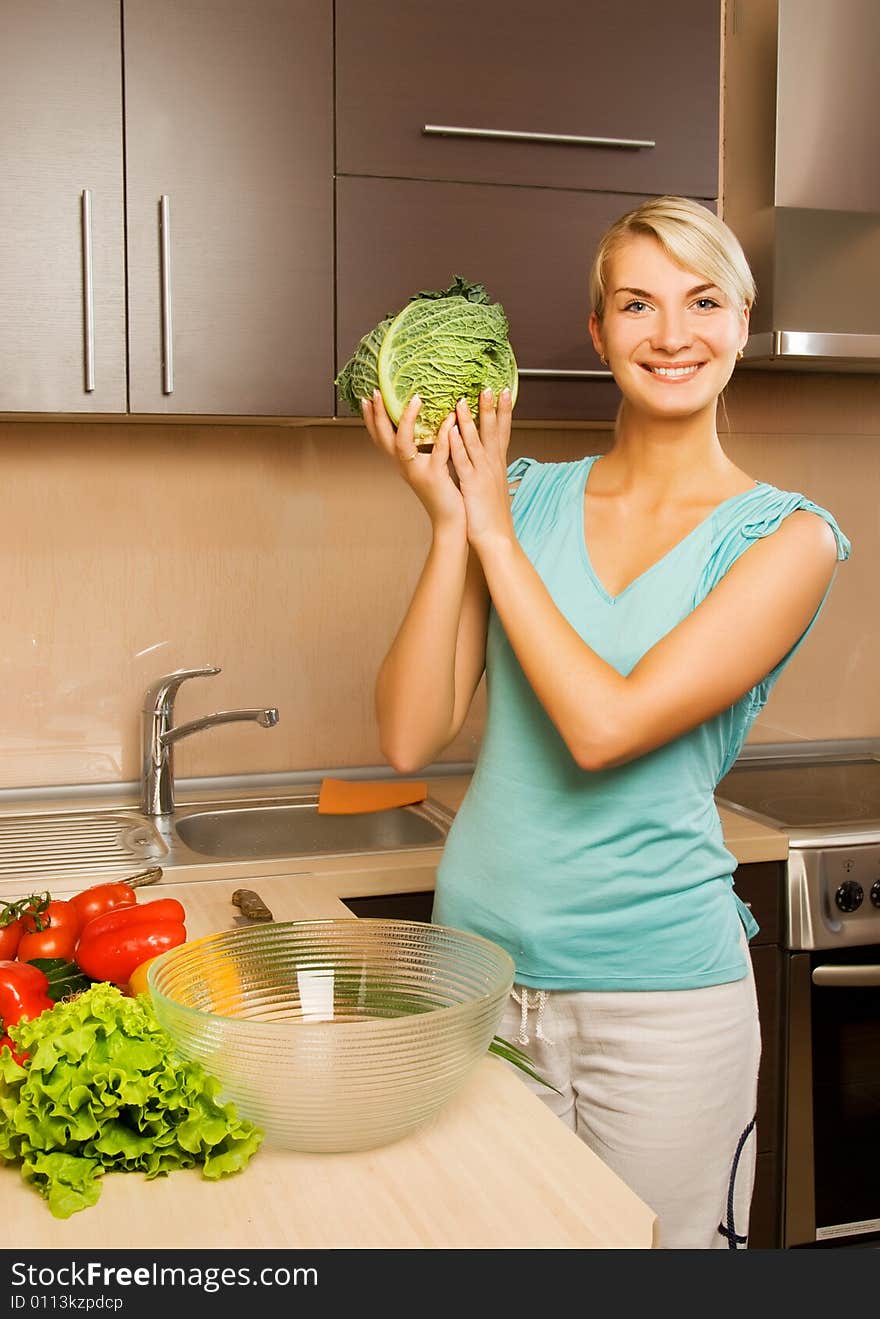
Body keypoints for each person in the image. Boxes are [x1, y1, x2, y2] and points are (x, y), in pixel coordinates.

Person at [360, 195, 850, 1249]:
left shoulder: (787, 539)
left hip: (661, 1003)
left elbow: (605, 726)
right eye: (636, 304)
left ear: (741, 321)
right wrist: (453, 524)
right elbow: (409, 735)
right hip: (475, 977)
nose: (670, 334)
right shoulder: (520, 496)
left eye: (701, 300)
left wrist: (488, 527)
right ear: (597, 332)